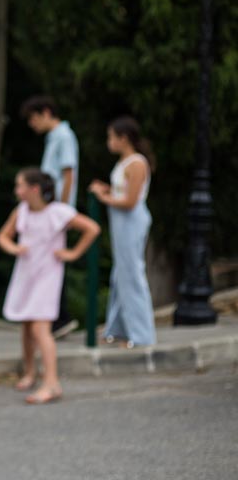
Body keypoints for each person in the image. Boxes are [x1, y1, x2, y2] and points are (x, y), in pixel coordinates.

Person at [0, 168, 100, 405]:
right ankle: (30, 372)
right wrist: (14, 248)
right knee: (26, 324)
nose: (16, 191)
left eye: (20, 185)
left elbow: (92, 228)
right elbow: (4, 236)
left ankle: (52, 382)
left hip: (48, 274)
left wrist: (73, 253)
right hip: (26, 273)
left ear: (34, 189)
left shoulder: (58, 212)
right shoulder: (21, 211)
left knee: (40, 328)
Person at [88, 116, 157, 348]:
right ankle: (117, 329)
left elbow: (130, 201)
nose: (109, 142)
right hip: (120, 223)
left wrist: (102, 197)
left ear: (123, 138)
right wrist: (106, 189)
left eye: (111, 137)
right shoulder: (124, 162)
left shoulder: (137, 163)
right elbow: (121, 191)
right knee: (120, 275)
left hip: (131, 222)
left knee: (133, 275)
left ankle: (142, 334)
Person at [21, 95, 80, 339]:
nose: (32, 124)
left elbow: (68, 174)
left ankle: (59, 318)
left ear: (46, 112)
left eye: (34, 118)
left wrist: (61, 209)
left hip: (55, 210)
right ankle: (54, 318)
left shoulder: (63, 137)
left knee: (53, 262)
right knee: (48, 261)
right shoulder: (55, 137)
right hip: (51, 208)